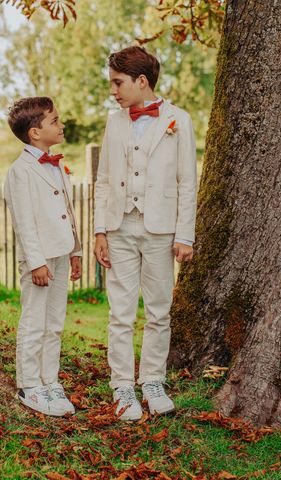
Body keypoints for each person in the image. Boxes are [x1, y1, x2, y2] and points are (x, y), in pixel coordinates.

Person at [94, 46, 197, 420]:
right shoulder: (114, 121)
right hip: (120, 225)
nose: (113, 91)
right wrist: (99, 229)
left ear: (142, 81)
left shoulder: (179, 120)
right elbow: (103, 178)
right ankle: (122, 385)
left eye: (118, 83)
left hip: (160, 228)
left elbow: (187, 181)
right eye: (111, 83)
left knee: (159, 310)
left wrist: (185, 235)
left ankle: (153, 380)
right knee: (120, 312)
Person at [4, 96, 82, 416]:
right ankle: (29, 384)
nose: (61, 125)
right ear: (35, 132)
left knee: (54, 322)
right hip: (39, 259)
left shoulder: (57, 164)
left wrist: (75, 250)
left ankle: (50, 379)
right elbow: (24, 221)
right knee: (35, 320)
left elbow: (67, 210)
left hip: (61, 252)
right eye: (54, 121)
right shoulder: (19, 171)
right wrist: (35, 261)